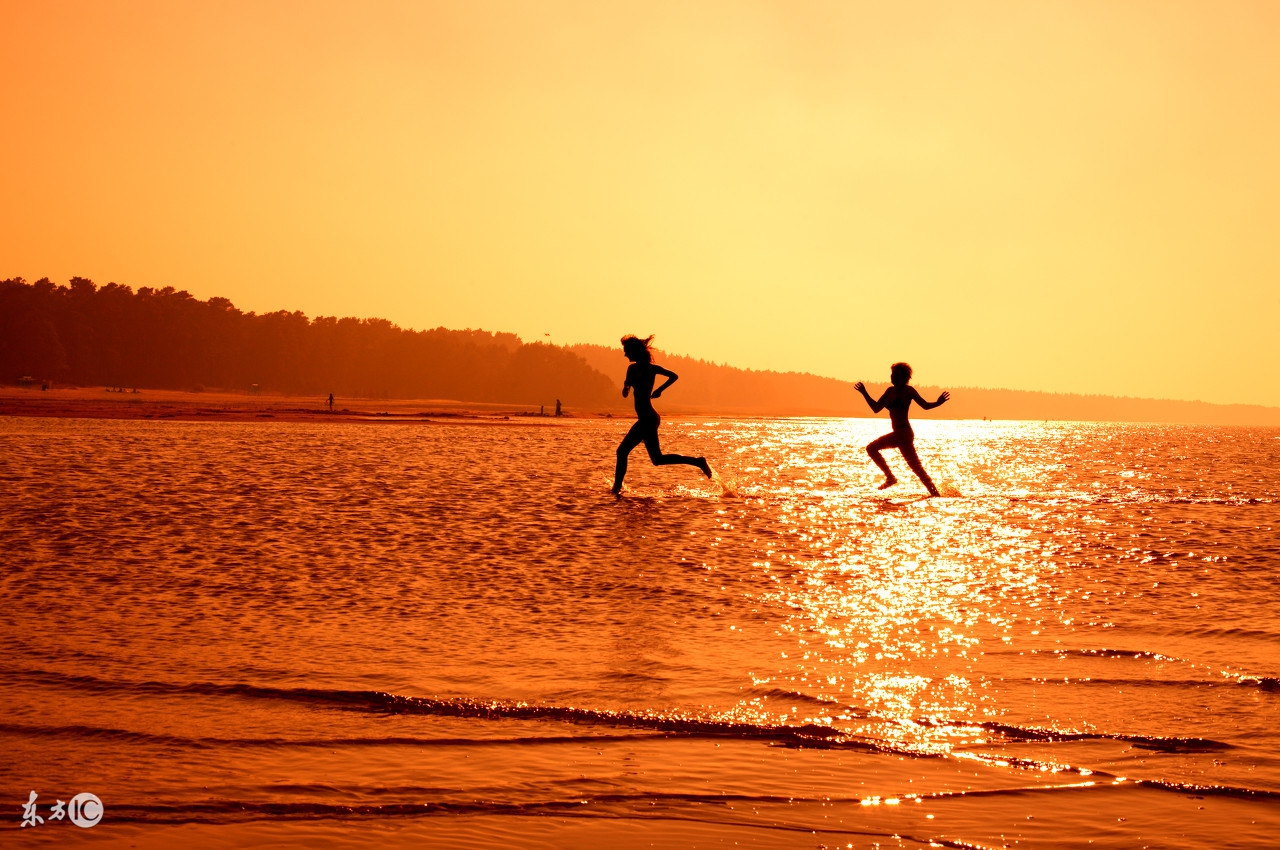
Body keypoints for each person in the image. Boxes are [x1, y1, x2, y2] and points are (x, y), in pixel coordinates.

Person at [612, 335, 711, 495]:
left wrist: (659, 390)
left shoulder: (652, 369)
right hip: (646, 419)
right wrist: (626, 387)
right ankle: (697, 461)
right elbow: (626, 391)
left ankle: (616, 489)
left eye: (626, 350)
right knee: (657, 459)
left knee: (622, 451)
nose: (625, 354)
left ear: (635, 351)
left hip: (648, 418)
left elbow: (674, 376)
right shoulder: (631, 369)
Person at [854, 362, 949, 497]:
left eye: (896, 375)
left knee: (872, 448)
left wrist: (938, 402)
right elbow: (876, 408)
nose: (893, 377)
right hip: (898, 434)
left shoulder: (908, 391)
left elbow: (925, 405)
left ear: (904, 377)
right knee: (916, 468)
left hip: (904, 433)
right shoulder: (889, 391)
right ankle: (935, 494)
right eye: (892, 374)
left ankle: (891, 477)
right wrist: (864, 392)